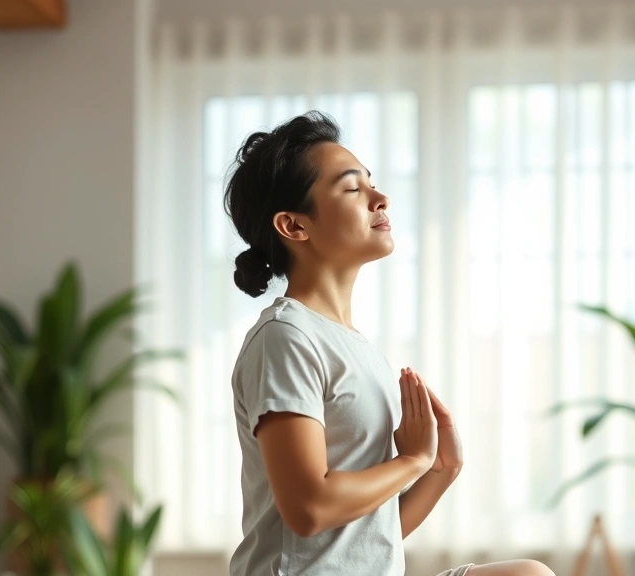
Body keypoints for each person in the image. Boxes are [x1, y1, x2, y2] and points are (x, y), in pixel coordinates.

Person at [224, 111, 556, 576]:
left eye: (372, 184)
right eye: (352, 188)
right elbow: (309, 510)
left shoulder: (353, 345)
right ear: (295, 226)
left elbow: (368, 540)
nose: (380, 199)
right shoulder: (285, 338)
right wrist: (414, 460)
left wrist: (440, 471)